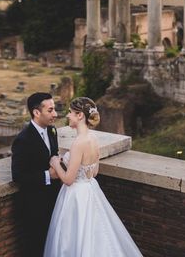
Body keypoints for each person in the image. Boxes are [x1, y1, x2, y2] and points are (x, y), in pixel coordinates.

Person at [44, 97, 142, 257]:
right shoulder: (93, 139)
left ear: (80, 116)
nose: (68, 116)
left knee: (73, 238)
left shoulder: (78, 143)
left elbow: (68, 180)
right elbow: (94, 171)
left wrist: (55, 162)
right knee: (97, 234)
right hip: (90, 188)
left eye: (70, 112)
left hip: (75, 195)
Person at [11, 92, 61, 256]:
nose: (55, 114)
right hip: (34, 205)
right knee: (36, 247)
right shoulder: (23, 140)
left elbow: (52, 156)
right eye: (50, 110)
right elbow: (18, 175)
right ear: (36, 112)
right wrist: (48, 175)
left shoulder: (52, 130)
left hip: (54, 199)